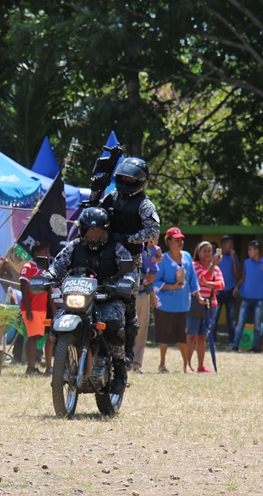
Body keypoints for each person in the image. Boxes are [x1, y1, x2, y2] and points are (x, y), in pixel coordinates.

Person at [40, 207, 138, 393]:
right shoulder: (74, 247)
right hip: (77, 300)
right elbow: (57, 267)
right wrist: (47, 277)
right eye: (90, 232)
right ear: (83, 231)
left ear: (106, 231)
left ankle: (119, 371)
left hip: (107, 298)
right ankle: (63, 361)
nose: (94, 236)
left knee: (113, 325)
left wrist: (127, 281)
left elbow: (130, 272)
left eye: (98, 232)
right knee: (55, 326)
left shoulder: (116, 248)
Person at [99, 157, 160, 366]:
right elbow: (94, 215)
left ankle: (127, 356)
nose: (126, 181)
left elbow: (153, 231)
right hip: (104, 256)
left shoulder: (145, 204)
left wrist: (127, 238)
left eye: (131, 178)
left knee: (128, 304)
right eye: (123, 177)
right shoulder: (111, 197)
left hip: (129, 260)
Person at [153, 228, 205, 373]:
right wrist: (171, 286)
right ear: (169, 242)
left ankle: (186, 364)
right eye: (176, 240)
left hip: (183, 304)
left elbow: (193, 279)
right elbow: (155, 281)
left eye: (181, 239)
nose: (180, 242)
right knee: (164, 336)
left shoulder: (187, 256)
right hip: (165, 304)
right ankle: (162, 364)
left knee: (183, 336)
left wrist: (198, 296)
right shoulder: (162, 259)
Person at [231, 240, 263, 352]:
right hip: (246, 297)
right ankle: (235, 345)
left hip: (259, 299)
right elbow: (244, 277)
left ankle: (255, 347)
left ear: (257, 251)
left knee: (257, 324)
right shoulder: (247, 263)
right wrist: (237, 287)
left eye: (250, 250)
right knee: (240, 323)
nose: (248, 252)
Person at [19, 242, 56, 376]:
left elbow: (49, 290)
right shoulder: (28, 267)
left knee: (38, 336)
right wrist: (28, 309)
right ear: (36, 254)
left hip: (42, 309)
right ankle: (30, 368)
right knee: (32, 337)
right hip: (32, 308)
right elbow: (23, 288)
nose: (48, 255)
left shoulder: (44, 269)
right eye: (45, 253)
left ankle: (35, 367)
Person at [192, 241, 224, 373]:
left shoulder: (216, 268)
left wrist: (209, 284)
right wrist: (212, 267)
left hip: (212, 304)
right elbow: (203, 277)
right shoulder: (194, 266)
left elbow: (221, 284)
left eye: (209, 251)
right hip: (196, 303)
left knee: (203, 336)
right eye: (204, 251)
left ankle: (201, 365)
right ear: (198, 253)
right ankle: (188, 364)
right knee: (192, 334)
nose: (207, 254)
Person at [132, 239, 159, 373]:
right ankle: (122, 363)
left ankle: (136, 364)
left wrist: (152, 295)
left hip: (143, 294)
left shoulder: (150, 250)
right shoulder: (126, 246)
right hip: (126, 295)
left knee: (141, 330)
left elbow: (150, 275)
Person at [215, 235, 240, 346]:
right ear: (223, 245)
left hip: (230, 290)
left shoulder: (233, 257)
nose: (231, 247)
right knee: (215, 316)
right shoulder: (216, 257)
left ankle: (232, 342)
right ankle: (213, 341)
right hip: (218, 291)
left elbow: (236, 274)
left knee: (231, 317)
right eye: (229, 245)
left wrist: (234, 258)